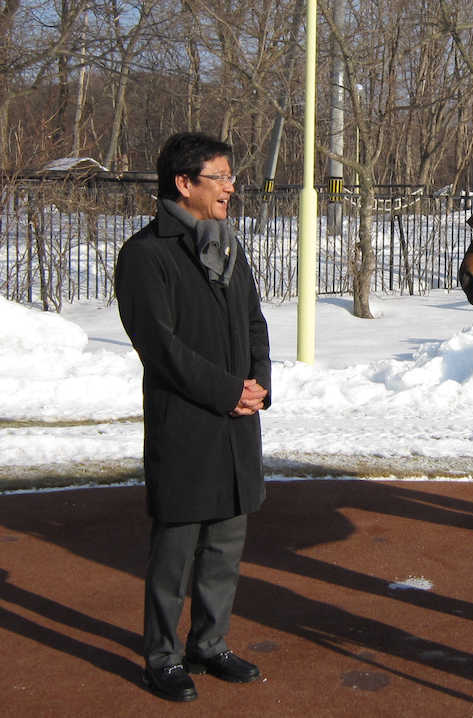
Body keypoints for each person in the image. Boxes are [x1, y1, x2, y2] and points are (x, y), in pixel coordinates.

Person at [115, 132, 271, 702]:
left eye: (232, 176)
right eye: (220, 176)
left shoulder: (230, 245)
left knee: (225, 549)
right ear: (185, 183)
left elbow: (255, 322)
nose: (232, 186)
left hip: (236, 427)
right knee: (175, 554)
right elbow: (161, 347)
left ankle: (210, 644)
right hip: (185, 426)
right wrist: (229, 390)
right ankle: (162, 655)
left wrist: (259, 386)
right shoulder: (145, 255)